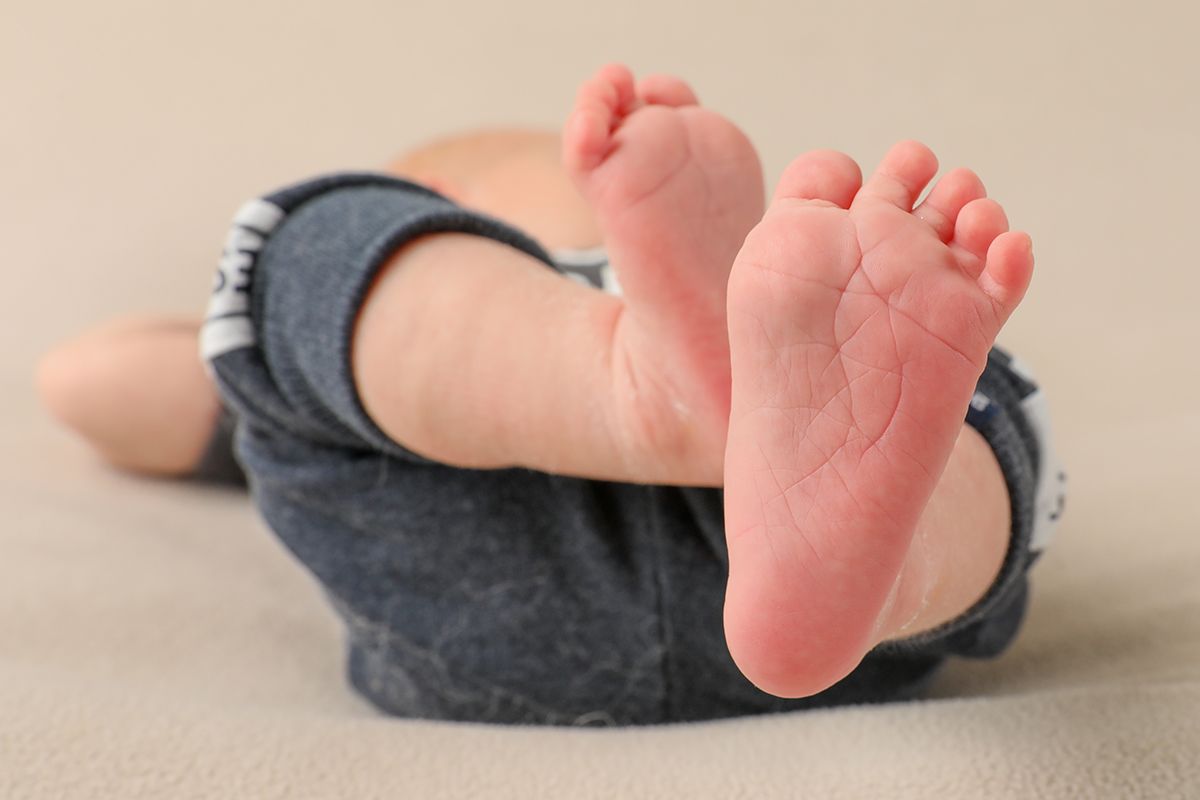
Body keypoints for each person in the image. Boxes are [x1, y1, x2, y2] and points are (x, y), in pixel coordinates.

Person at [37, 64, 1064, 725]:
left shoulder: (805, 320)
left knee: (282, 269)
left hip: (487, 625)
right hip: (847, 631)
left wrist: (269, 325)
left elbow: (89, 384)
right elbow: (88, 383)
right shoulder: (814, 322)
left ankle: (708, 442)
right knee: (979, 436)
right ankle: (878, 576)